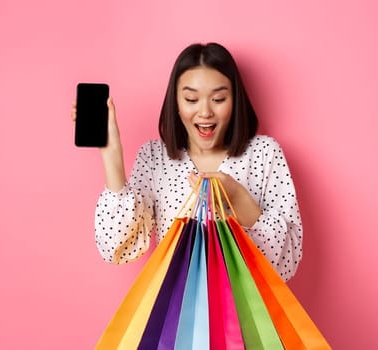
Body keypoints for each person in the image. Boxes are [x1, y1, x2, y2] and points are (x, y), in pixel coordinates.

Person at [71, 43, 303, 281]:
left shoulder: (264, 154)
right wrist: (111, 154)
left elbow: (286, 263)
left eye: (219, 99)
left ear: (235, 101)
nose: (205, 112)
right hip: (177, 316)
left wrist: (239, 201)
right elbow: (116, 247)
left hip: (248, 317)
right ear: (177, 104)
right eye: (191, 99)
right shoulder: (154, 159)